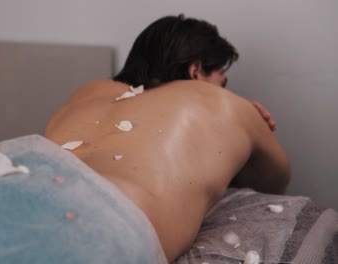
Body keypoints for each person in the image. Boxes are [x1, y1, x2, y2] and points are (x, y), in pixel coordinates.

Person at [44, 14, 290, 262]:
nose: (223, 91)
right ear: (195, 71)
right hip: (109, 225)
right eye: (221, 82)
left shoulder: (88, 90)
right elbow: (274, 181)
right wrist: (250, 125)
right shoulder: (223, 103)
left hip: (25, 191)